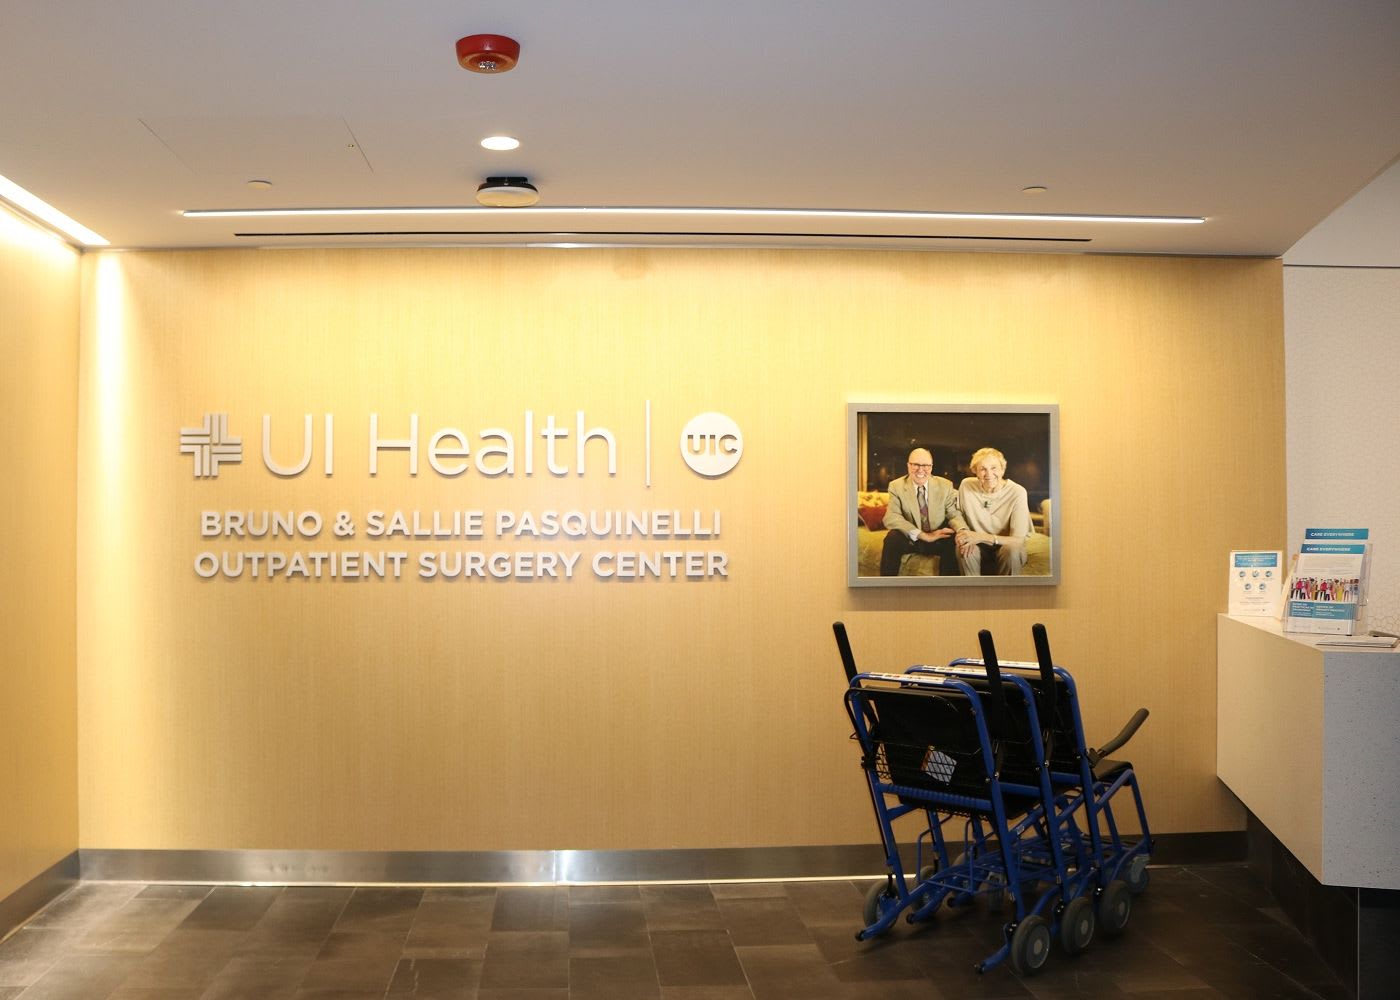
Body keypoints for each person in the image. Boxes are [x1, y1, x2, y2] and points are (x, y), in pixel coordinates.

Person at [880, 448, 966, 576]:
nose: (921, 470)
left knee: (953, 539)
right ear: (908, 466)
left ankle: (946, 591)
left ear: (931, 467)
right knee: (891, 539)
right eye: (916, 465)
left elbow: (953, 514)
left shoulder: (945, 485)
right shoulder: (896, 486)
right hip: (912, 537)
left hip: (938, 536)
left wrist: (962, 530)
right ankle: (885, 589)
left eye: (925, 465)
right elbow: (891, 517)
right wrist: (922, 535)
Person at [955, 447, 1032, 575]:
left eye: (994, 468)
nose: (989, 474)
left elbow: (1018, 540)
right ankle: (971, 593)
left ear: (1002, 469)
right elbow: (957, 513)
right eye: (983, 469)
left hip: (1006, 546)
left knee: (1012, 550)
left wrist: (980, 537)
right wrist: (963, 533)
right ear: (975, 471)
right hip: (979, 547)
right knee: (963, 548)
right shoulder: (966, 486)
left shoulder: (1017, 492)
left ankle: (1008, 594)